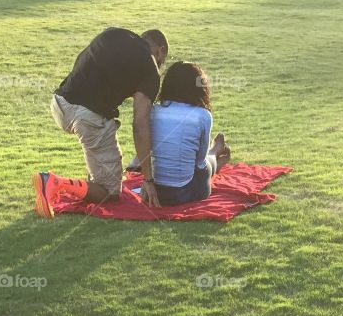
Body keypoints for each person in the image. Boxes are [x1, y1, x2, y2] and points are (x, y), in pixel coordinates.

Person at [35, 27, 168, 217]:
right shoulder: (150, 69)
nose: (160, 65)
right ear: (160, 50)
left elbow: (83, 60)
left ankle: (92, 180)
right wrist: (148, 179)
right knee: (111, 192)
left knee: (99, 137)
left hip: (59, 104)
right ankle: (54, 183)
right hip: (87, 117)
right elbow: (140, 124)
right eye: (162, 61)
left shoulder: (113, 33)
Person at [149, 62, 231, 207]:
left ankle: (214, 153)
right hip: (186, 193)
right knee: (205, 163)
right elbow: (199, 162)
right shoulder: (202, 115)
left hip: (156, 192)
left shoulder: (153, 110)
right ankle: (214, 154)